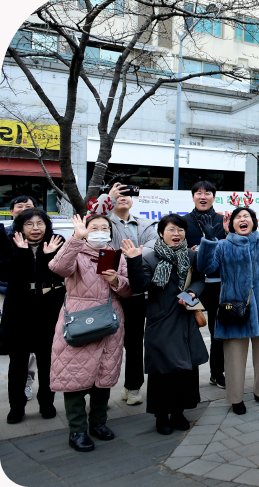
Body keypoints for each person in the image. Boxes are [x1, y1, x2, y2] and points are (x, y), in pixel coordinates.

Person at [48, 213, 133, 452]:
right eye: (93, 227)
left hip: (109, 320)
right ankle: (77, 429)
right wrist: (75, 238)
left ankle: (98, 423)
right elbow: (58, 267)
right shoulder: (76, 251)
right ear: (85, 230)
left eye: (104, 227)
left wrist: (117, 280)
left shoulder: (117, 256)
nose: (99, 230)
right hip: (78, 319)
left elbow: (127, 290)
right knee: (74, 375)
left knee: (103, 374)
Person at [197, 207, 259, 415]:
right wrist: (209, 241)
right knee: (234, 358)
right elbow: (206, 268)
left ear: (254, 221)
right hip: (233, 308)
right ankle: (236, 398)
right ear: (232, 224)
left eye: (246, 216)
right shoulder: (222, 245)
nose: (242, 219)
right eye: (238, 217)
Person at [122, 214, 209, 435]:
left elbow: (200, 280)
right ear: (161, 233)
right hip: (160, 322)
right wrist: (133, 259)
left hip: (184, 319)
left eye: (180, 230)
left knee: (185, 371)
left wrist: (191, 292)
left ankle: (179, 412)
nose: (176, 234)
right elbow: (140, 286)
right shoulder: (149, 258)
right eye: (171, 230)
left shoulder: (191, 256)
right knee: (162, 372)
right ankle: (161, 416)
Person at [0, 209, 65, 424]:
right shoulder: (10, 242)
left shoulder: (57, 241)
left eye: (40, 223)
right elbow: (6, 273)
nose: (35, 228)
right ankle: (16, 407)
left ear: (47, 225)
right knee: (18, 364)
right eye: (29, 224)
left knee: (48, 363)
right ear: (20, 227)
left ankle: (46, 403)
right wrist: (23, 252)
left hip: (48, 313)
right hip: (18, 313)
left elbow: (58, 272)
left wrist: (48, 255)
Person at [105, 182, 158, 407]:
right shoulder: (103, 222)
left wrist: (128, 258)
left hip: (136, 295)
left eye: (127, 194)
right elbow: (100, 246)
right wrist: (106, 199)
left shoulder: (146, 223)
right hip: (109, 292)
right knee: (105, 343)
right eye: (117, 194)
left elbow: (153, 248)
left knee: (135, 343)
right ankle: (101, 394)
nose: (122, 197)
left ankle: (133, 387)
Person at [183, 180, 228, 390]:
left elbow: (233, 248)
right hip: (192, 286)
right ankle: (187, 374)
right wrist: (192, 252)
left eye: (208, 193)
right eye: (199, 193)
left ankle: (217, 373)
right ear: (193, 197)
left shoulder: (224, 221)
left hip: (219, 284)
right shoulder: (183, 222)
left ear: (214, 197)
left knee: (218, 332)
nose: (203, 196)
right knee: (189, 330)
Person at [0, 195, 39, 401]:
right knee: (14, 343)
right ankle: (17, 384)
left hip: (35, 296)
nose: (24, 208)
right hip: (8, 294)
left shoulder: (42, 235)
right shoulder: (5, 235)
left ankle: (27, 383)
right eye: (19, 206)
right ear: (12, 211)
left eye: (29, 206)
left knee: (32, 347)